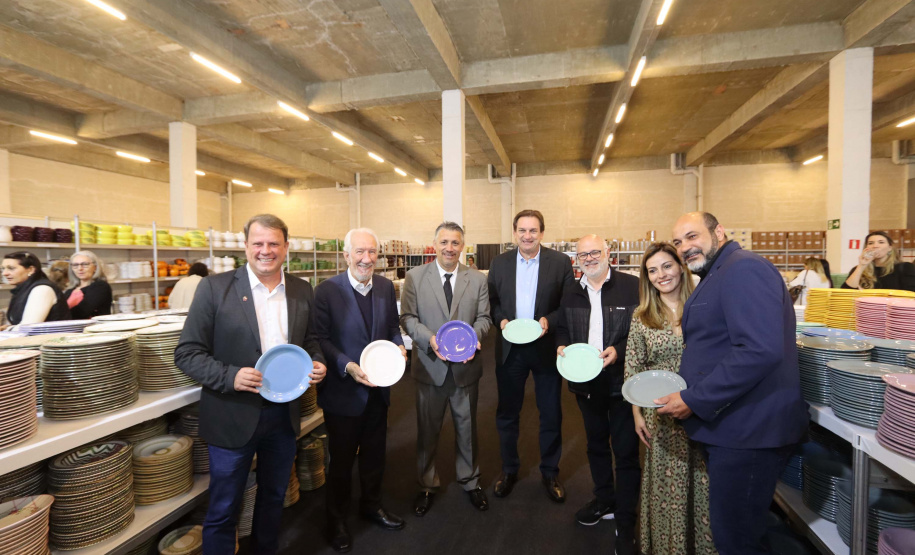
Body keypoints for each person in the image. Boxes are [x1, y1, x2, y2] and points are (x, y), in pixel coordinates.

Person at [175, 214, 327, 555]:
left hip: (283, 416)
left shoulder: (302, 289)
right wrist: (231, 376)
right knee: (224, 506)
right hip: (233, 415)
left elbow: (312, 339)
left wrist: (318, 362)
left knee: (274, 497)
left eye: (274, 243)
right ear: (245, 247)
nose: (265, 251)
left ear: (286, 248)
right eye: (258, 243)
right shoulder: (215, 288)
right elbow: (187, 353)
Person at [660, 212, 807, 555]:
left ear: (719, 232)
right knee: (738, 532)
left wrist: (694, 399)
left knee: (736, 540)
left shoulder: (743, 268)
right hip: (735, 428)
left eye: (692, 236)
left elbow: (759, 350)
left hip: (748, 431)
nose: (685, 247)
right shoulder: (720, 272)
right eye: (679, 242)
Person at [313, 227, 407, 552]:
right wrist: (347, 365)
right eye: (360, 252)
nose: (366, 259)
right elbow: (320, 339)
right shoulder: (326, 291)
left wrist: (399, 347)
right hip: (343, 392)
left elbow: (393, 328)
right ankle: (335, 520)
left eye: (372, 252)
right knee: (340, 461)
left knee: (374, 455)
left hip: (378, 389)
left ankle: (371, 505)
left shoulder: (383, 286)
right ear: (346, 255)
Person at [624, 242, 716, 555]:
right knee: (667, 491)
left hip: (702, 409)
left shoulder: (703, 307)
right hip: (661, 416)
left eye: (666, 266)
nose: (661, 275)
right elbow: (633, 367)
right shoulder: (643, 315)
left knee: (703, 484)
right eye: (652, 270)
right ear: (646, 278)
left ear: (680, 266)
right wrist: (637, 414)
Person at [555, 234, 640, 554]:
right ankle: (605, 499)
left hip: (621, 382)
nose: (589, 258)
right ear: (576, 259)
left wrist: (618, 351)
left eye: (594, 252)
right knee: (595, 445)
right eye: (582, 254)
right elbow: (562, 327)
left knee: (626, 450)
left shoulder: (631, 287)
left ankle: (626, 520)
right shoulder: (571, 291)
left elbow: (643, 330)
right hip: (585, 382)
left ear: (608, 254)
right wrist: (560, 344)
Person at [400, 221, 492, 516]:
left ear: (462, 246)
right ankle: (427, 484)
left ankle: (470, 480)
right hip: (430, 367)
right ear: (434, 244)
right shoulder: (414, 277)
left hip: (465, 370)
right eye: (444, 242)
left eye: (455, 243)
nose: (449, 248)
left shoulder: (476, 280)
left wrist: (472, 340)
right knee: (427, 431)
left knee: (467, 429)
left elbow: (485, 319)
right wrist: (431, 340)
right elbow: (408, 318)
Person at [487, 209, 574, 502]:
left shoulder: (560, 263)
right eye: (522, 231)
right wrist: (501, 322)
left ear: (542, 233)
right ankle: (509, 469)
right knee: (508, 413)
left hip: (544, 347)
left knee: (550, 412)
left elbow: (567, 303)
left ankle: (550, 471)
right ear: (514, 233)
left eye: (533, 231)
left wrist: (549, 320)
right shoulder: (498, 264)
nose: (527, 236)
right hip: (510, 349)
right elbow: (493, 301)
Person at [2, 251, 70, 326]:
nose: (4, 273)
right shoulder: (22, 290)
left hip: (49, 337)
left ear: (31, 270)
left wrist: (9, 329)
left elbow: (28, 327)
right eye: (3, 269)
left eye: (11, 268)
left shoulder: (42, 289)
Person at [842, 231, 915, 292]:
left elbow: (910, 293)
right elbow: (846, 292)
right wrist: (861, 266)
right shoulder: (858, 269)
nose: (875, 246)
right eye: (870, 243)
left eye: (881, 242)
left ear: (890, 248)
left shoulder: (905, 267)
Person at [63, 250, 112, 319]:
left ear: (95, 267)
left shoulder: (100, 287)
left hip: (94, 328)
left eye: (85, 264)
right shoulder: (70, 290)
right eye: (75, 265)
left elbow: (82, 312)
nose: (80, 268)